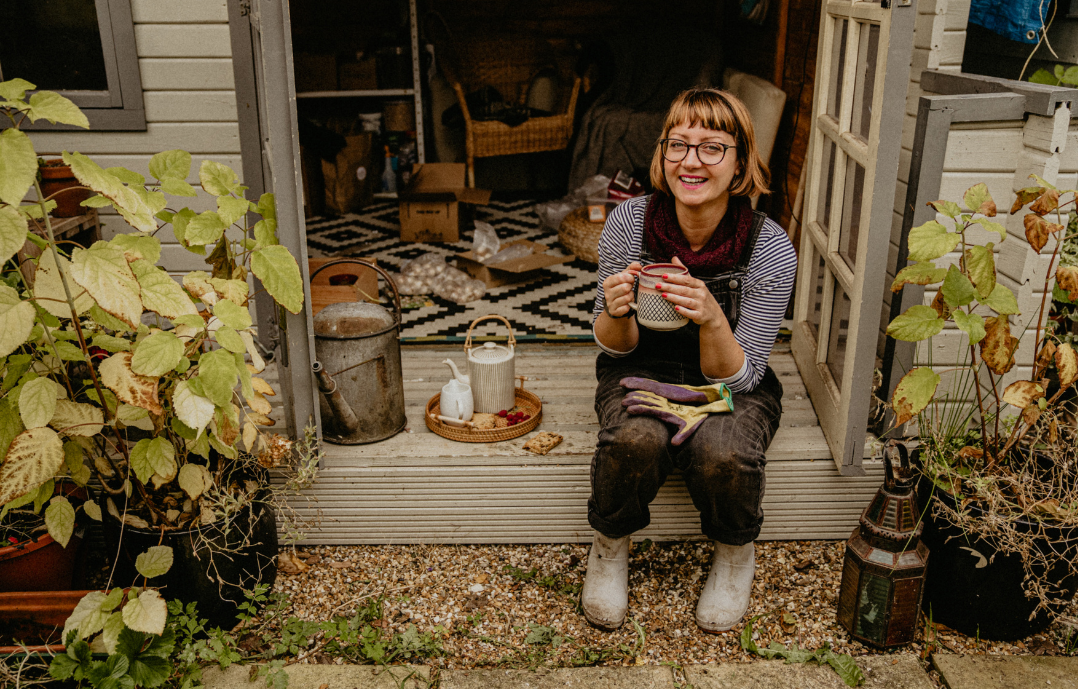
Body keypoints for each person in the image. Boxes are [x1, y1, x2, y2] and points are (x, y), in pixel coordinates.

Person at [582, 88, 797, 633]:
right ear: (662, 155)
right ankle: (609, 545)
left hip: (728, 378)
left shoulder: (768, 246)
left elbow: (743, 373)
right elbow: (613, 346)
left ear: (741, 162)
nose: (691, 160)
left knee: (723, 453)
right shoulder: (629, 224)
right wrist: (615, 308)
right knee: (633, 440)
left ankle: (732, 554)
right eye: (678, 144)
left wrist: (712, 317)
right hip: (641, 365)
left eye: (712, 147)